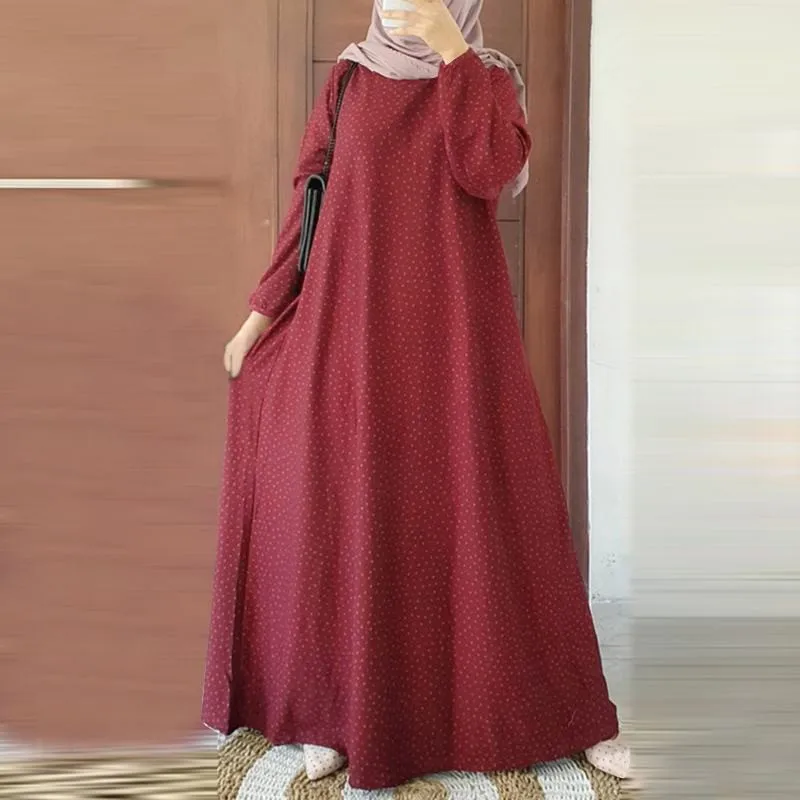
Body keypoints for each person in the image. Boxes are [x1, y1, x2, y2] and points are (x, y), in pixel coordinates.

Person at [202, 0, 630, 790]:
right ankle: (331, 714)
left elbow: (487, 172)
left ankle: (563, 715)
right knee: (343, 512)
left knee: (486, 515)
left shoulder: (491, 79)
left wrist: (453, 57)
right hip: (354, 335)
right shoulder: (349, 82)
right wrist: (258, 316)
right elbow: (309, 207)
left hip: (458, 343)